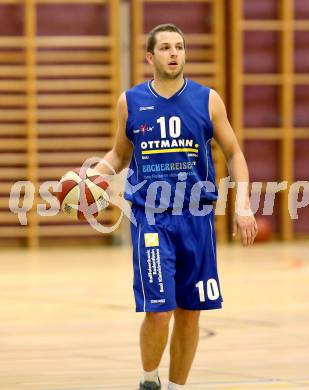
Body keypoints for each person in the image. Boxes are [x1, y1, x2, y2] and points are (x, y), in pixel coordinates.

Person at [95, 24, 257, 390]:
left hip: (197, 218)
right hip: (151, 218)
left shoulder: (208, 99)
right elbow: (120, 154)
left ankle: (176, 387)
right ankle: (148, 379)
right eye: (166, 47)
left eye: (180, 47)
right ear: (150, 57)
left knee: (190, 311)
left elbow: (234, 153)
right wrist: (92, 177)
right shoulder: (130, 101)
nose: (174, 53)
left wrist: (243, 205)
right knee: (159, 310)